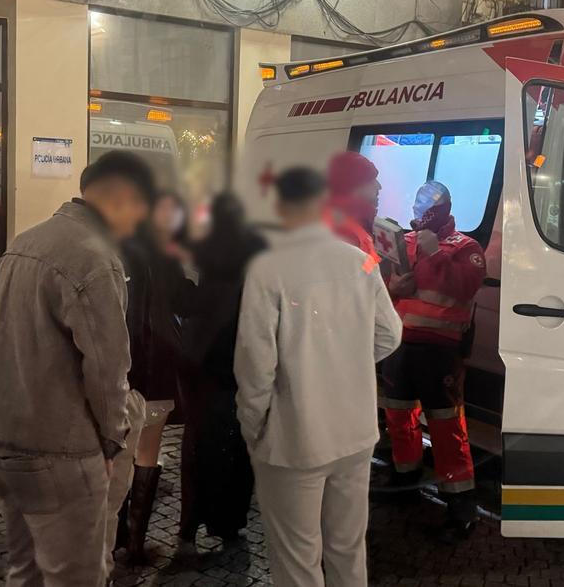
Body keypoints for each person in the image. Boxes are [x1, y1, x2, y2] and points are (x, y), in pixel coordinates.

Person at [0, 151, 154, 587]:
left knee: (26, 570)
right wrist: (112, 441)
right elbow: (108, 367)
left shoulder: (24, 242)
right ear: (124, 198)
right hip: (59, 448)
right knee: (77, 577)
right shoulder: (96, 258)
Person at [235, 167, 402, 587]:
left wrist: (253, 427)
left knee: (297, 559)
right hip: (357, 433)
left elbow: (255, 364)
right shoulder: (361, 261)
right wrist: (349, 363)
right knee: (348, 548)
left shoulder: (268, 268)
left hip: (295, 439)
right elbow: (391, 334)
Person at [383, 181, 487, 541]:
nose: (421, 210)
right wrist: (392, 288)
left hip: (440, 353)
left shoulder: (466, 248)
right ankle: (405, 480)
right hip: (399, 345)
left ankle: (461, 508)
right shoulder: (405, 243)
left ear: (445, 209)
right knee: (398, 416)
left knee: (446, 429)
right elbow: (384, 286)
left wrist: (436, 255)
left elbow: (466, 288)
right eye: (418, 203)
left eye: (429, 205)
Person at [109, 192, 196, 565]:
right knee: (148, 450)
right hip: (159, 368)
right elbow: (185, 303)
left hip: (123, 369)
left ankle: (114, 534)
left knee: (116, 452)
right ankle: (135, 542)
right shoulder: (167, 257)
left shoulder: (114, 252)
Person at [182, 192, 267, 544]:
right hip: (244, 360)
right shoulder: (257, 252)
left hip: (207, 363)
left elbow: (189, 302)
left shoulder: (204, 250)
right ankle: (231, 520)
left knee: (205, 442)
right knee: (242, 445)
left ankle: (197, 516)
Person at [324, 151, 382, 266]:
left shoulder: (350, 223)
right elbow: (352, 280)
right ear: (355, 186)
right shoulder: (346, 232)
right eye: (372, 180)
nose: (379, 186)